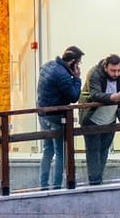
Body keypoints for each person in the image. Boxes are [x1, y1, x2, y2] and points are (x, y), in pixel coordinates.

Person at [81, 53, 120, 185]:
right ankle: (95, 182)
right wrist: (114, 97)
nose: (116, 74)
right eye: (113, 70)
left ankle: (99, 179)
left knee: (104, 150)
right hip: (91, 118)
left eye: (119, 70)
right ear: (105, 67)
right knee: (93, 151)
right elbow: (95, 95)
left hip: (110, 119)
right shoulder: (94, 73)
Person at [36, 45, 84, 188]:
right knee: (60, 152)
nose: (78, 66)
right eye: (78, 63)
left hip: (43, 114)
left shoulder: (48, 65)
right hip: (56, 117)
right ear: (73, 62)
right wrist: (77, 78)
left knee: (47, 150)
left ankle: (43, 184)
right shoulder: (63, 75)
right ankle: (57, 185)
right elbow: (74, 96)